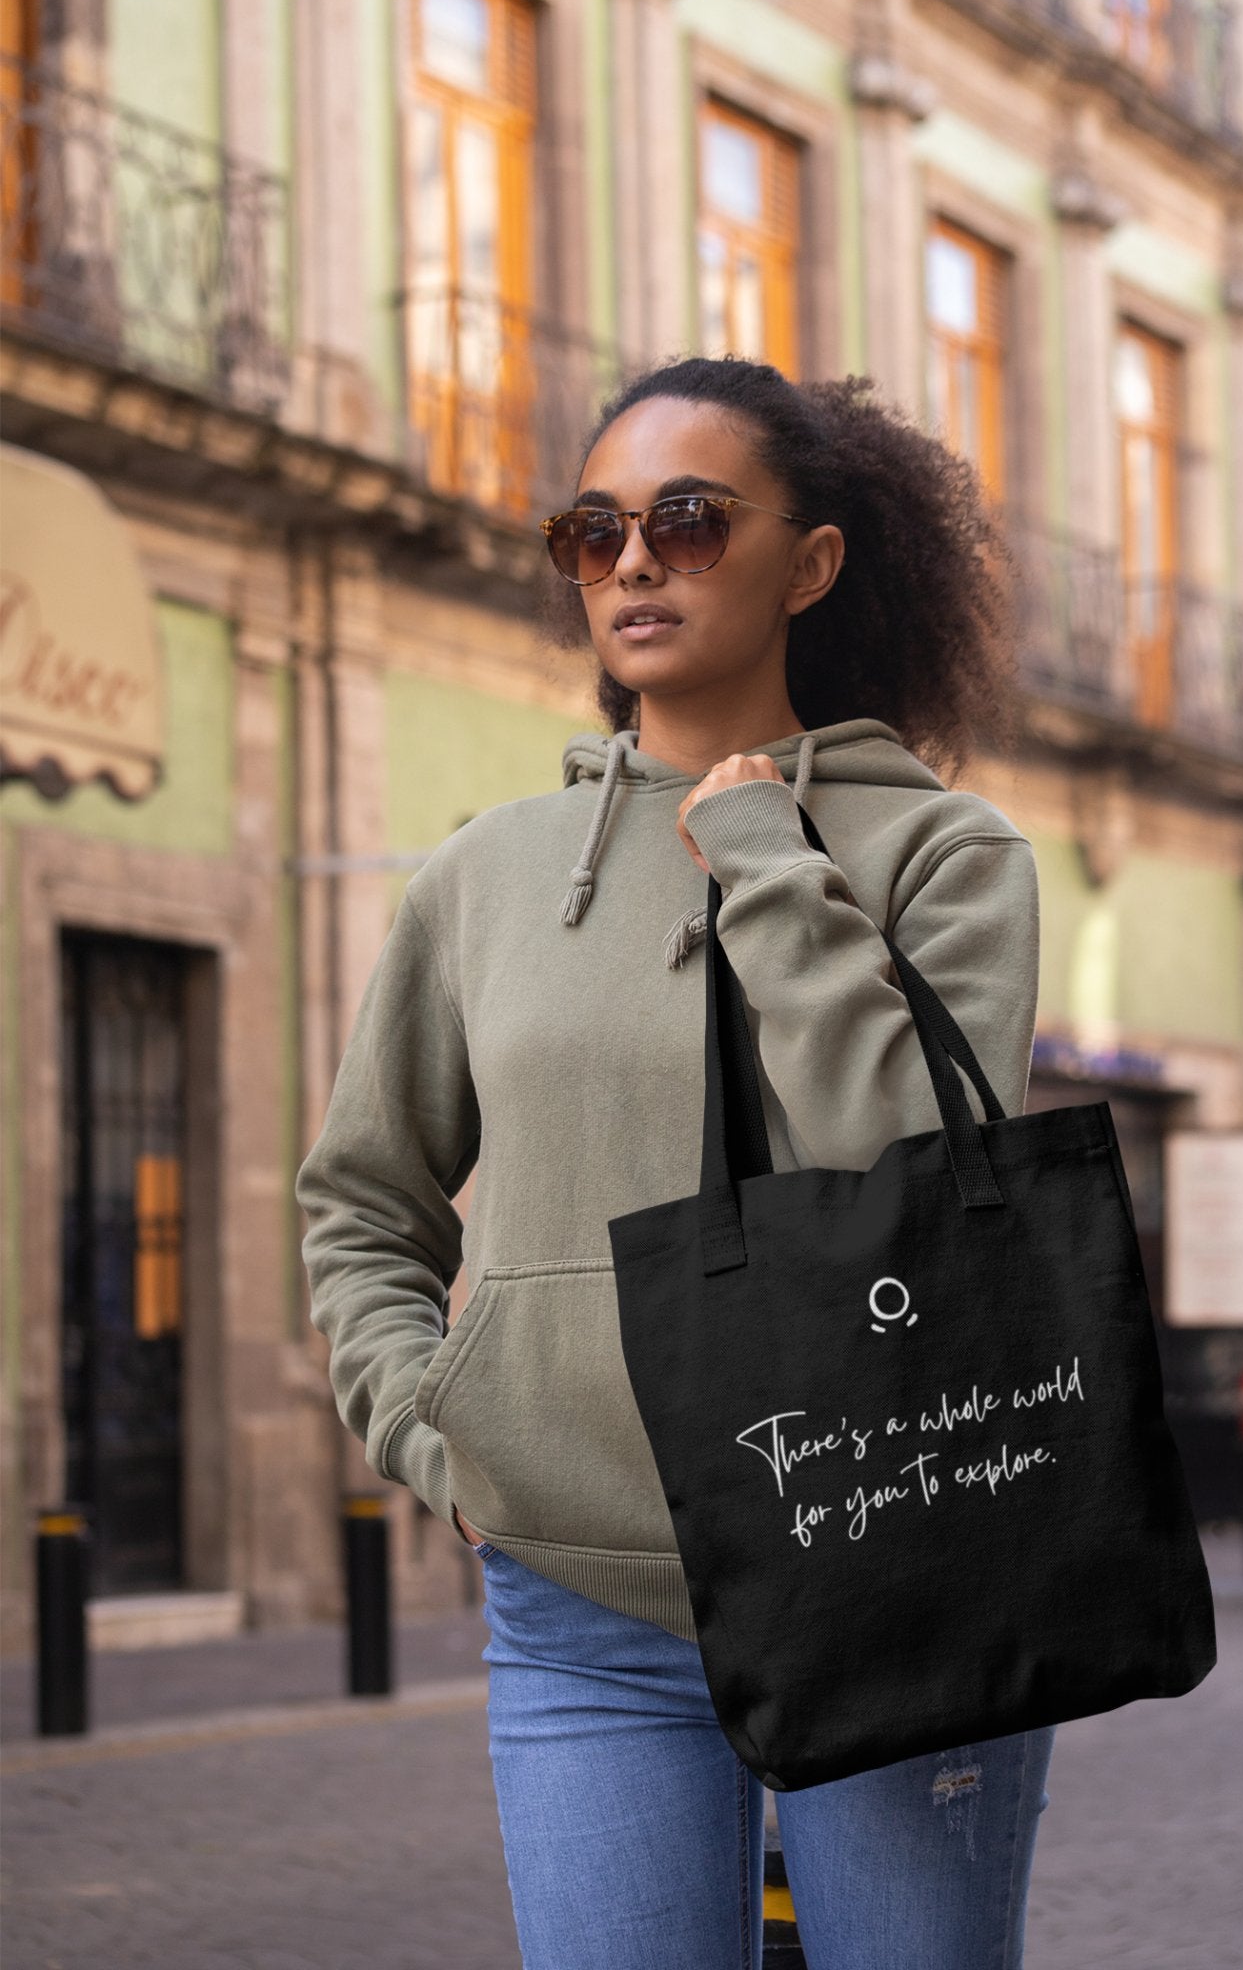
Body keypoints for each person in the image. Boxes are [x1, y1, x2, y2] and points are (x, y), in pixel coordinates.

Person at [295, 353, 1055, 1969]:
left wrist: (770, 863)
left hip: (890, 1561)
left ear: (815, 563)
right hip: (579, 1606)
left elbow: (913, 1161)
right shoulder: (484, 877)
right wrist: (440, 1432)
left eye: (691, 522)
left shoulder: (944, 853)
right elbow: (362, 1201)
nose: (634, 562)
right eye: (596, 529)